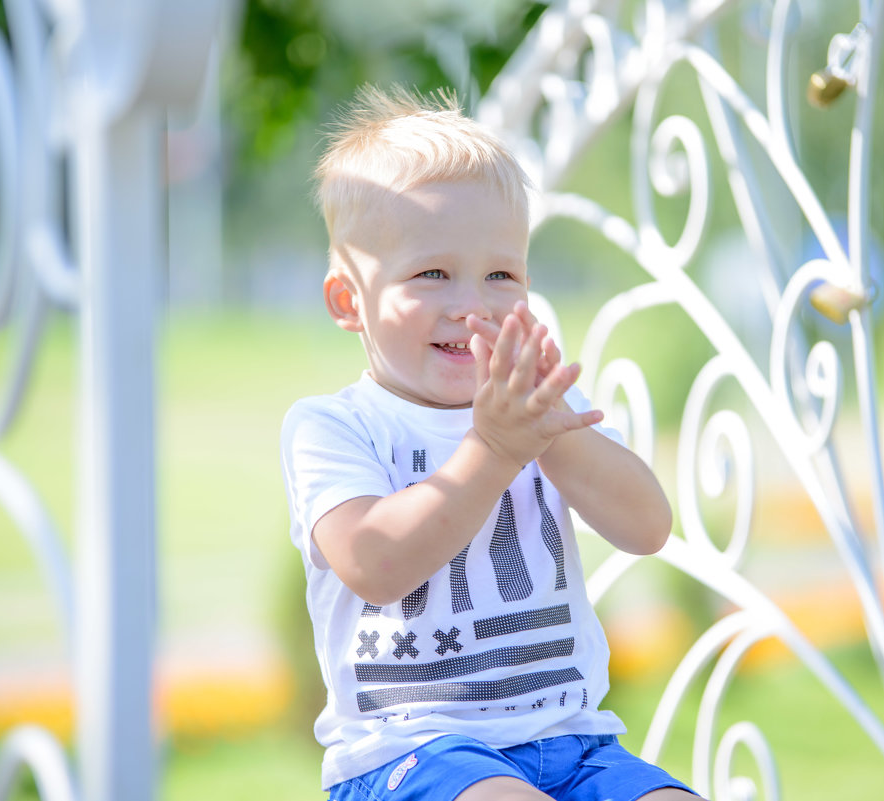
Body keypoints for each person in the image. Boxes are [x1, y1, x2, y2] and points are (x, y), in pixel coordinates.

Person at [280, 85, 696, 801]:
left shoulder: (540, 407)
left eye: (501, 274)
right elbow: (375, 563)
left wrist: (548, 439)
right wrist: (495, 449)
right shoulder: (334, 426)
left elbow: (647, 527)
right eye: (431, 273)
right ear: (350, 301)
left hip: (574, 740)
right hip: (411, 751)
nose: (471, 303)